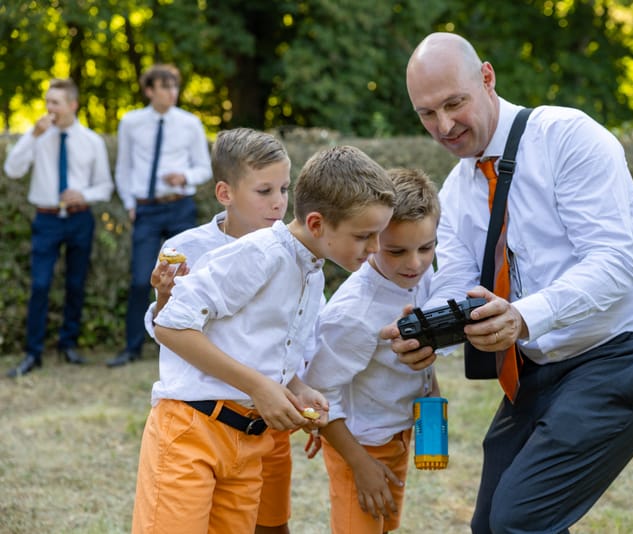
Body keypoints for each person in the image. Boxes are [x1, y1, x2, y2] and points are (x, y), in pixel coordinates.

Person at [383, 32, 633, 533]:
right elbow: (460, 290)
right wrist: (427, 334)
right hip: (546, 365)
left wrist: (523, 316)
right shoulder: (458, 190)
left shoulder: (567, 136)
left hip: (632, 348)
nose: (443, 126)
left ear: (487, 78)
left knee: (520, 521)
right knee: (490, 527)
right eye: (426, 113)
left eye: (454, 103)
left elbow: (615, 263)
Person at [132, 145, 397, 534]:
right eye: (364, 236)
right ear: (317, 223)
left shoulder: (313, 272)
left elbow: (257, 347)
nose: (375, 248)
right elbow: (171, 325)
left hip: (249, 442)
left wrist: (295, 387)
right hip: (193, 433)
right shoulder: (259, 254)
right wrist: (260, 387)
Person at [142, 127, 310, 534]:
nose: (278, 203)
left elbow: (289, 336)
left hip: (261, 421)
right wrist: (164, 296)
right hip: (201, 418)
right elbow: (169, 328)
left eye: (284, 189)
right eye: (264, 191)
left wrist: (301, 389)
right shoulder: (189, 246)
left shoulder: (295, 253)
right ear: (225, 193)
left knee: (267, 522)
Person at [304, 168, 440, 534]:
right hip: (359, 444)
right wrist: (359, 464)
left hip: (396, 434)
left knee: (385, 525)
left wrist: (431, 395)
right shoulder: (353, 313)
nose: (415, 264)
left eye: (426, 248)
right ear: (372, 239)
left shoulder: (421, 279)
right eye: (397, 251)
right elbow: (319, 395)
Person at [3, 78, 113, 378]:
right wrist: (31, 136)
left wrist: (85, 195)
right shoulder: (38, 137)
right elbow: (12, 171)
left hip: (80, 218)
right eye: (47, 101)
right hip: (47, 219)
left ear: (72, 105)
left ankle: (68, 345)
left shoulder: (91, 141)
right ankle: (32, 353)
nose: (49, 108)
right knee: (39, 285)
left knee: (76, 284)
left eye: (56, 102)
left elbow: (105, 186)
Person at [108, 63, 212, 368]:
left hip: (180, 205)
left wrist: (185, 177)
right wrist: (130, 202)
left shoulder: (190, 123)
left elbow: (204, 168)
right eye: (165, 87)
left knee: (187, 278)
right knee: (141, 278)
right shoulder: (130, 122)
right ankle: (132, 347)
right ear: (149, 90)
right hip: (146, 208)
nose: (172, 93)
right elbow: (123, 167)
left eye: (175, 87)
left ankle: (186, 343)